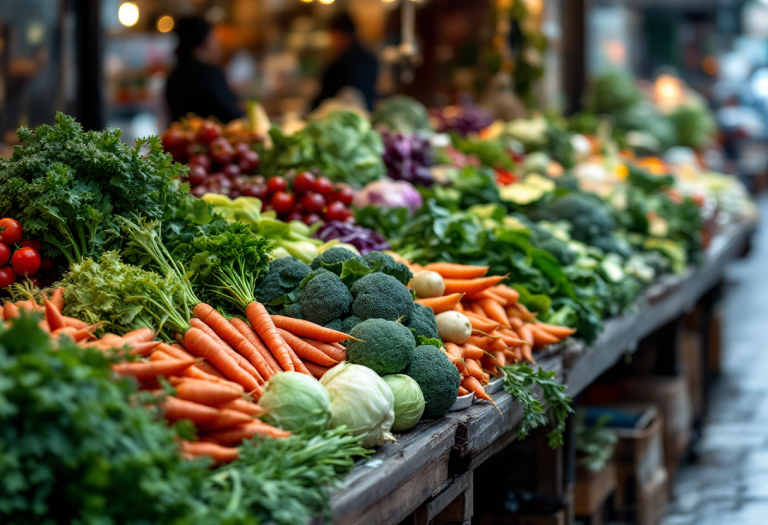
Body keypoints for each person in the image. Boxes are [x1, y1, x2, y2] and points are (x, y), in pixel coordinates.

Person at [165, 17, 243, 123]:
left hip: (181, 136)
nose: (218, 43)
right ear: (204, 41)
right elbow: (232, 115)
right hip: (217, 138)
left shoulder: (174, 75)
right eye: (213, 36)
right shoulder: (209, 74)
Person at [312, 13, 379, 110]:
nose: (332, 42)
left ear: (340, 34)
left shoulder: (340, 64)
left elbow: (323, 99)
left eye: (332, 36)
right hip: (366, 115)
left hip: (336, 117)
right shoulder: (371, 58)